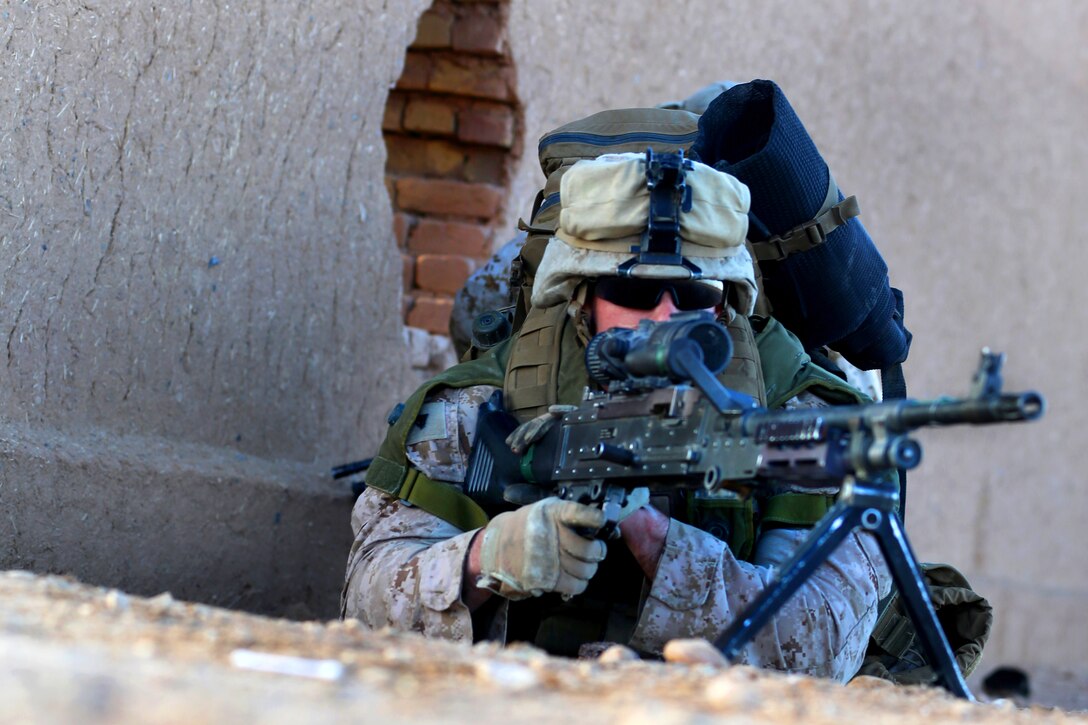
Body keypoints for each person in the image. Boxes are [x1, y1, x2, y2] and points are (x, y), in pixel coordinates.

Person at [342, 150, 891, 683]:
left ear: (723, 304)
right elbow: (364, 606)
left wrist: (658, 543)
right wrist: (488, 558)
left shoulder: (797, 416)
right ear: (582, 297)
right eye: (634, 290)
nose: (665, 317)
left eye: (693, 292)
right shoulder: (475, 404)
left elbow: (821, 652)